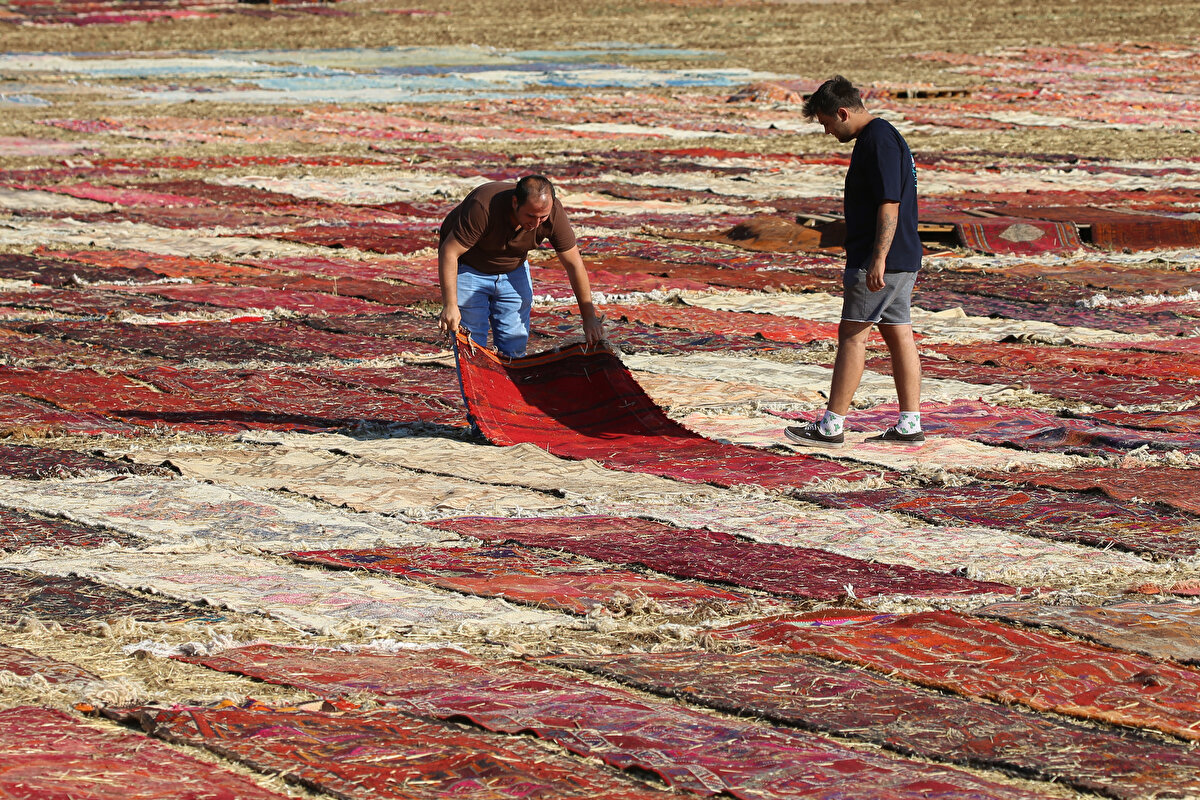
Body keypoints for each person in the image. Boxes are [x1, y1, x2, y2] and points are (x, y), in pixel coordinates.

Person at [785, 76, 923, 448]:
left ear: (843, 113)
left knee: (852, 337)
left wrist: (877, 258)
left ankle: (831, 426)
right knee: (899, 335)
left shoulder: (877, 141)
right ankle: (909, 423)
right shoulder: (884, 136)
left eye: (827, 123)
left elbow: (889, 203)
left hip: (879, 261)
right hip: (904, 257)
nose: (827, 131)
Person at [437, 175, 603, 357]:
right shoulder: (483, 206)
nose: (536, 223)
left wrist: (589, 318)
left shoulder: (554, 213)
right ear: (515, 202)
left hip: (513, 268)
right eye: (530, 216)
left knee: (514, 345)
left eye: (542, 217)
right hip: (471, 267)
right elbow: (449, 252)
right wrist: (450, 305)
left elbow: (574, 264)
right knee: (471, 343)